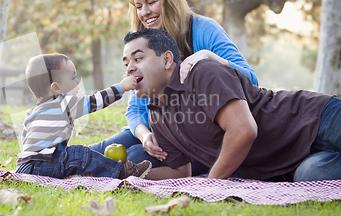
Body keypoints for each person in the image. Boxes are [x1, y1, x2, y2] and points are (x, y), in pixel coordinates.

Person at [89, 0, 258, 178]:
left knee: (132, 158)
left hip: (197, 137)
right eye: (139, 6)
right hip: (158, 132)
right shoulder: (145, 44)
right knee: (95, 153)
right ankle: (47, 160)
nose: (144, 12)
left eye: (151, 2)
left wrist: (207, 56)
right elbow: (135, 109)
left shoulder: (204, 29)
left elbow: (250, 80)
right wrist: (144, 135)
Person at [122, 28, 341, 181]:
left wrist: (211, 182)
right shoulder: (157, 115)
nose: (130, 68)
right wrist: (127, 173)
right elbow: (180, 173)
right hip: (295, 162)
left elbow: (243, 130)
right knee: (311, 176)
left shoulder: (201, 72)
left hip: (316, 118)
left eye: (138, 58)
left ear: (168, 60)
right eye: (126, 63)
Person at [15, 53, 152, 179]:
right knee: (79, 153)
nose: (77, 82)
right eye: (73, 77)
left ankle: (75, 173)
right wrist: (121, 87)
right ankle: (120, 172)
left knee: (70, 156)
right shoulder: (62, 103)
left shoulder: (32, 112)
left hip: (24, 166)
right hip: (43, 164)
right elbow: (95, 101)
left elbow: (25, 140)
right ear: (56, 88)